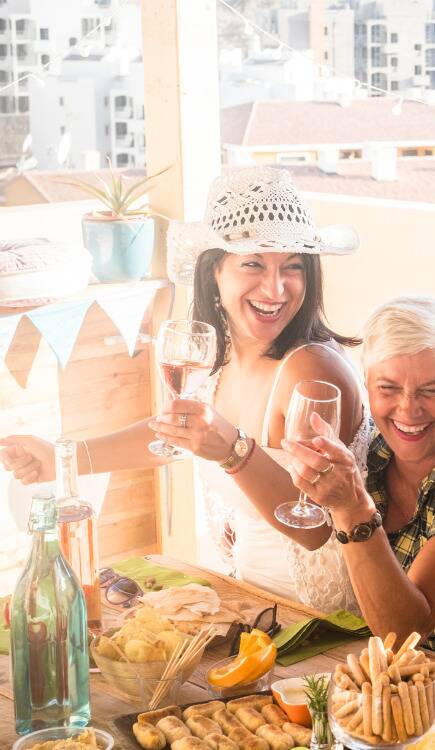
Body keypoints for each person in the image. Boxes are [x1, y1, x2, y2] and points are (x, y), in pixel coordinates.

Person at [0, 167, 367, 612]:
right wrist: (62, 458)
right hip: (250, 598)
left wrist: (233, 451)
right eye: (253, 263)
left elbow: (317, 527)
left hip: (316, 619)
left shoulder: (310, 369)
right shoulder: (221, 350)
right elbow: (177, 434)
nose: (275, 288)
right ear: (215, 271)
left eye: (292, 267)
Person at [279, 295, 435, 655]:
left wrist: (351, 507)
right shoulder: (373, 440)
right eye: (388, 388)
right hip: (371, 666)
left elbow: (406, 632)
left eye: (432, 390)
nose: (408, 409)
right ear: (366, 380)